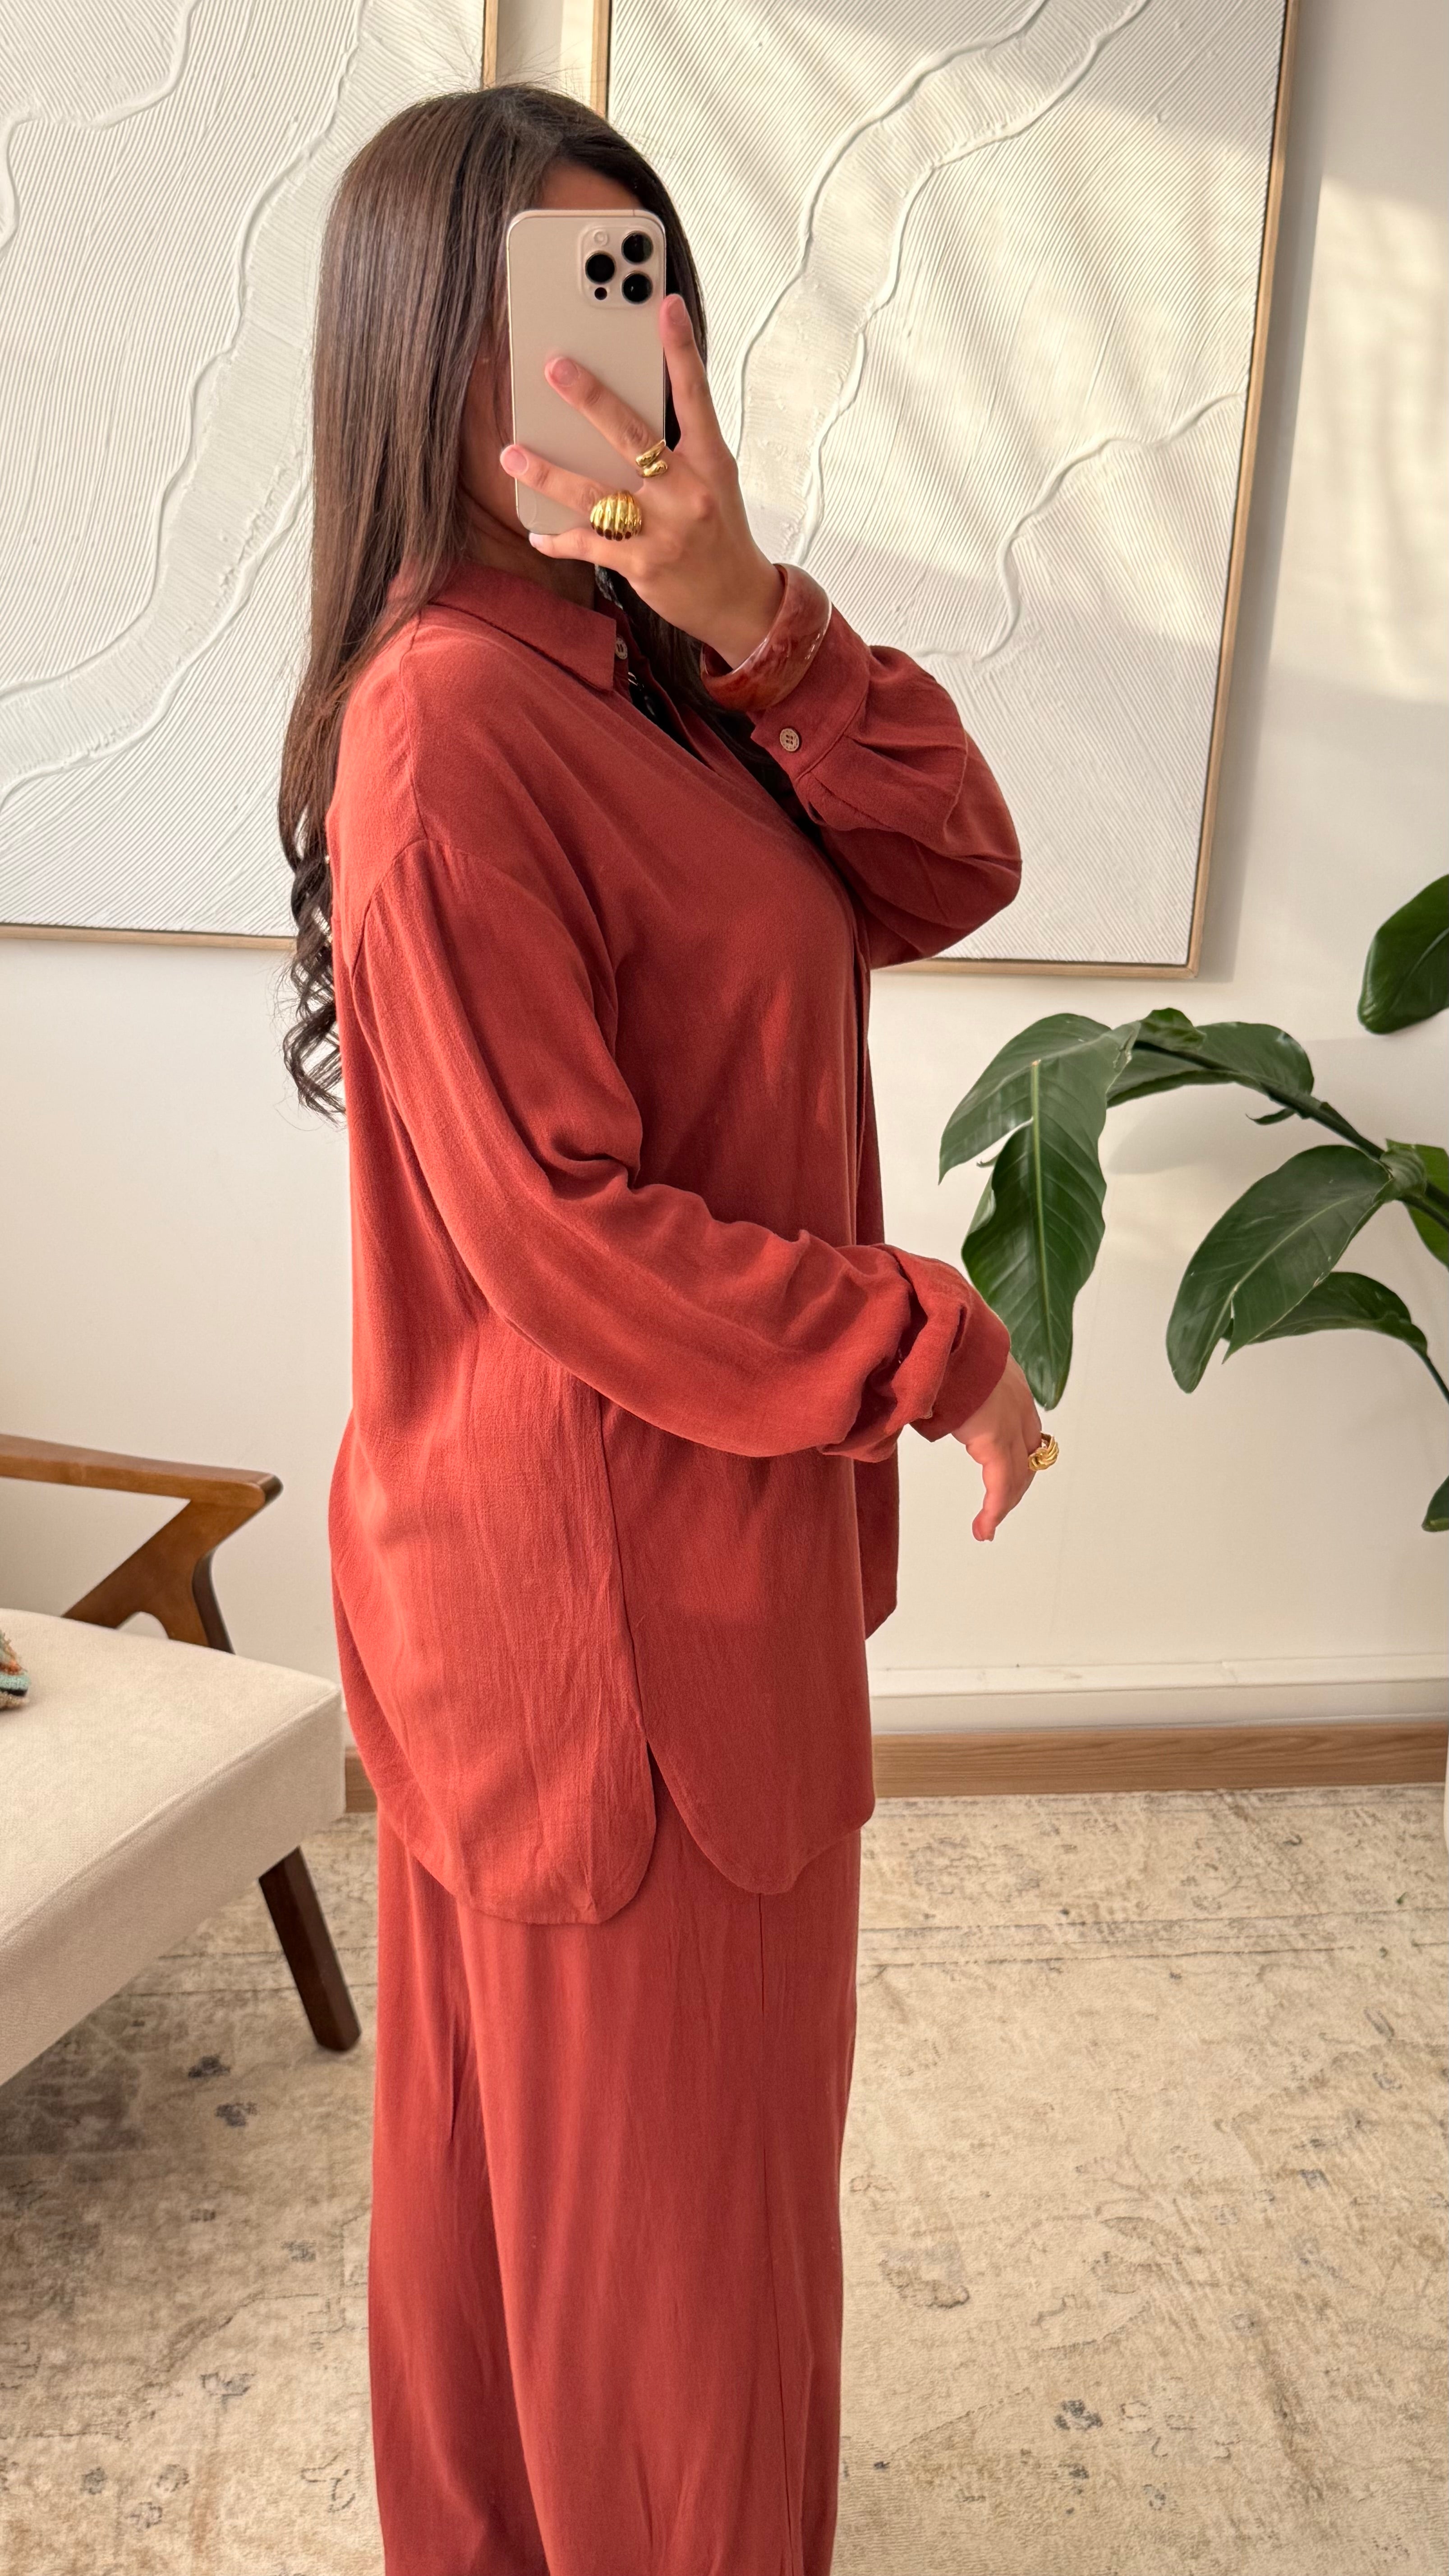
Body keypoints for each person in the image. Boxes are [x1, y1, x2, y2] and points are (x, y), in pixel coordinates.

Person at [280, 79, 1043, 2576]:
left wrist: (750, 609)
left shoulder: (667, 670)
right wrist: (929, 1342)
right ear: (426, 349)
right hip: (618, 1620)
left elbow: (952, 859)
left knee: (565, 2218)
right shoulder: (452, 720)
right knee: (675, 2265)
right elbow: (566, 1234)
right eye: (566, 300)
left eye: (654, 288)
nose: (632, 350)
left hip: (618, 1580)